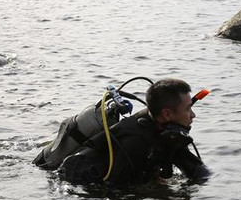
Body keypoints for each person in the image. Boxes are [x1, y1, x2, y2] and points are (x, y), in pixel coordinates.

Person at [58, 78, 211, 186]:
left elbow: (198, 173)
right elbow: (116, 191)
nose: (193, 115)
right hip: (78, 184)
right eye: (188, 108)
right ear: (167, 114)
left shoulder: (166, 131)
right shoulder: (135, 140)